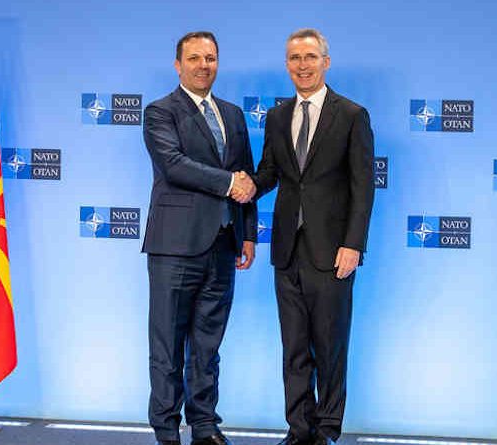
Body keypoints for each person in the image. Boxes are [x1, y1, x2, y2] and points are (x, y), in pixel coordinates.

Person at [252, 28, 375, 445]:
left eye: (309, 57)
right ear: (286, 65)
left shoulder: (352, 115)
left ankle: (326, 430)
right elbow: (270, 173)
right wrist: (243, 185)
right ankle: (299, 428)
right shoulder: (277, 116)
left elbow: (363, 186)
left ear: (325, 61)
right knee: (294, 348)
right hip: (287, 251)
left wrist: (353, 244)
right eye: (293, 58)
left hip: (333, 252)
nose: (301, 66)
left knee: (330, 347)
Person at [142, 31, 258, 445]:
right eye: (194, 58)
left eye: (210, 58)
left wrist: (248, 234)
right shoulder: (160, 112)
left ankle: (205, 426)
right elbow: (175, 166)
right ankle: (167, 429)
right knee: (167, 345)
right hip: (174, 246)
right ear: (178, 65)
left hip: (224, 245)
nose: (203, 65)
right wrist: (230, 184)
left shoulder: (232, 113)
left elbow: (246, 175)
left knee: (208, 345)